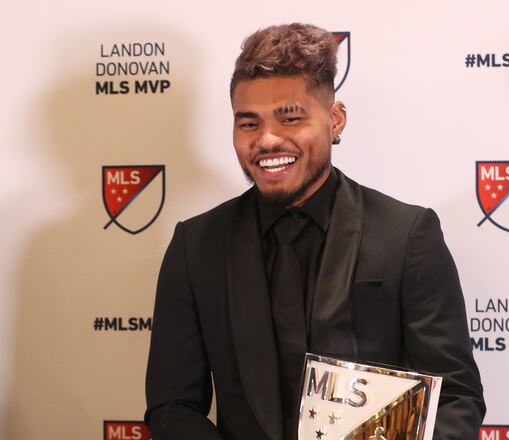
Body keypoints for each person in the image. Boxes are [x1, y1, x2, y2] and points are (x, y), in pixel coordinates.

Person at [145, 23, 485, 440]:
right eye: (249, 124)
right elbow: (172, 406)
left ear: (335, 120)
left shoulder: (407, 236)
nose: (268, 139)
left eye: (290, 118)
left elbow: (455, 399)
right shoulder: (196, 246)